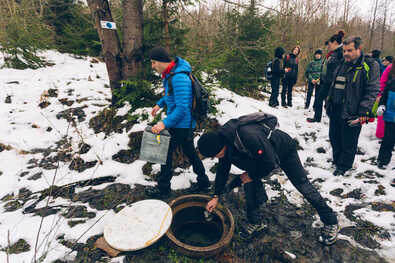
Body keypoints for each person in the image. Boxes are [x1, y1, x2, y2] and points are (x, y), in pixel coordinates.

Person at [197, 113, 339, 244]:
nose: (215, 158)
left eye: (215, 155)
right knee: (249, 183)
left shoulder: (248, 136)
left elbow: (270, 163)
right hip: (257, 158)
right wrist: (216, 195)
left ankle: (331, 221)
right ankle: (255, 222)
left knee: (303, 185)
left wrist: (251, 175)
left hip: (283, 151)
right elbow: (222, 170)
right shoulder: (224, 144)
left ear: (221, 147)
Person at [145, 46, 210, 199]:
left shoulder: (178, 77)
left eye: (154, 62)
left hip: (182, 125)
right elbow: (171, 95)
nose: (152, 66)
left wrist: (164, 123)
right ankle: (204, 183)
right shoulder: (171, 74)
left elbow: (182, 108)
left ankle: (163, 188)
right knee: (191, 153)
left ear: (162, 61)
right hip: (182, 125)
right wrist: (159, 104)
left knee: (165, 153)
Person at [326, 37, 380, 176]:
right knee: (334, 137)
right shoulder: (342, 63)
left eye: (350, 50)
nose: (346, 53)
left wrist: (364, 110)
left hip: (353, 111)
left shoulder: (369, 65)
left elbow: (372, 90)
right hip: (336, 108)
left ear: (358, 49)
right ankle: (337, 161)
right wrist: (329, 102)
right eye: (344, 50)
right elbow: (333, 84)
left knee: (348, 141)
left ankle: (344, 166)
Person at [307, 31, 345, 123]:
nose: (328, 46)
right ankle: (317, 117)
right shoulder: (333, 53)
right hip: (325, 81)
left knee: (329, 102)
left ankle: (333, 120)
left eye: (329, 44)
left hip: (332, 83)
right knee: (319, 99)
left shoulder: (340, 54)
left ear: (335, 43)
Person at [376, 63, 394, 176]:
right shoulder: (392, 82)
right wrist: (382, 105)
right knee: (388, 139)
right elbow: (385, 95)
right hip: (391, 116)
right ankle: (382, 160)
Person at [376, 63, 393, 139]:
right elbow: (382, 81)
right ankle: (382, 135)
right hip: (389, 95)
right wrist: (380, 94)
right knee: (384, 116)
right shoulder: (391, 67)